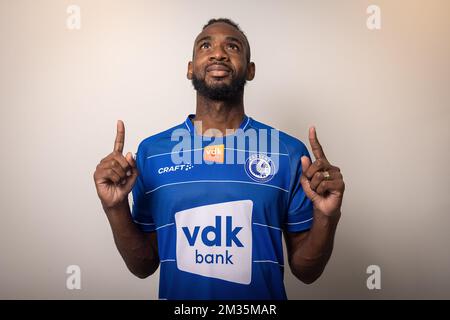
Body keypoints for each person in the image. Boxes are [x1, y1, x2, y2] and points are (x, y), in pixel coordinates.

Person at [93, 18, 345, 300]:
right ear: (190, 69)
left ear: (250, 70)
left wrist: (327, 216)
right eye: (205, 45)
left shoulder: (288, 152)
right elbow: (144, 266)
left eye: (233, 46)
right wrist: (114, 208)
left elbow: (306, 271)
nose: (218, 53)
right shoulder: (152, 153)